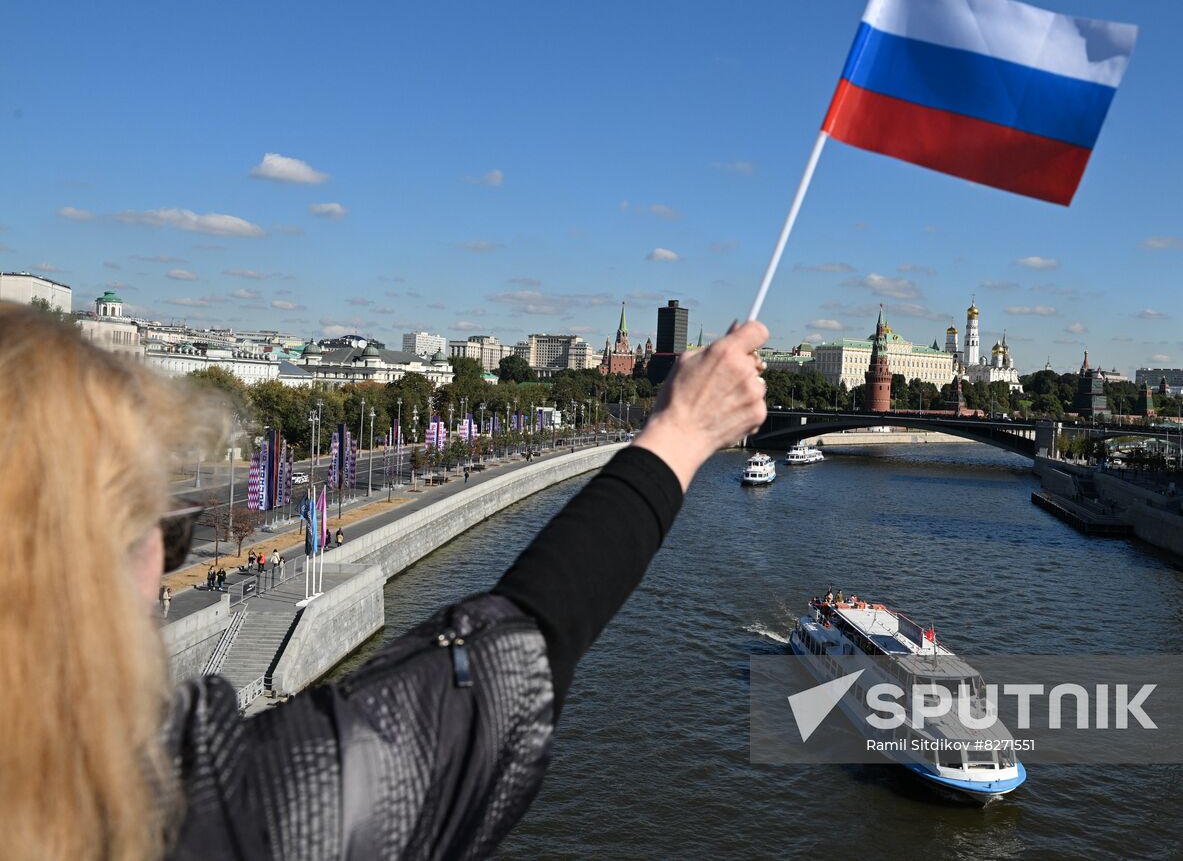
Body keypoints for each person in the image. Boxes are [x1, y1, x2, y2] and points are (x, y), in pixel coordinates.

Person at [0, 302, 768, 860]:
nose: (169, 557)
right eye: (167, 533)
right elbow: (510, 661)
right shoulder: (202, 811)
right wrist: (680, 434)